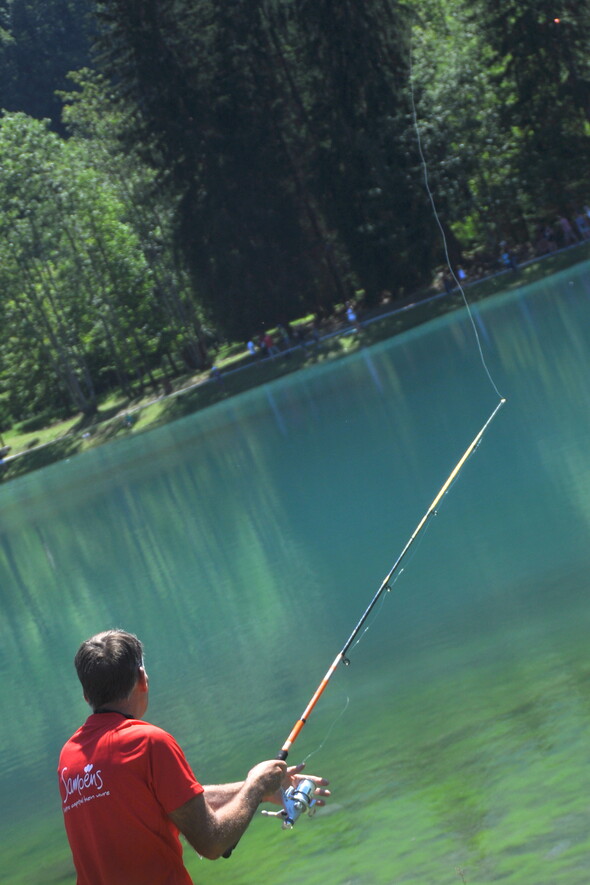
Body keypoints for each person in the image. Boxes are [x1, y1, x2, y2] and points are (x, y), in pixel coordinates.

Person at [58, 630, 330, 885]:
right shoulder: (148, 742)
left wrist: (263, 791)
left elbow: (162, 804)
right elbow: (211, 843)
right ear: (142, 678)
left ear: (86, 695)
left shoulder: (70, 756)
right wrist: (256, 784)